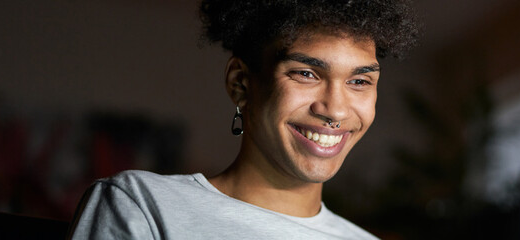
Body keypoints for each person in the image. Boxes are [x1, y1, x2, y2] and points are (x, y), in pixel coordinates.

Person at [67, 0, 419, 239]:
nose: (336, 110)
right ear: (240, 83)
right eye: (306, 74)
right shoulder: (142, 204)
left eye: (359, 81)